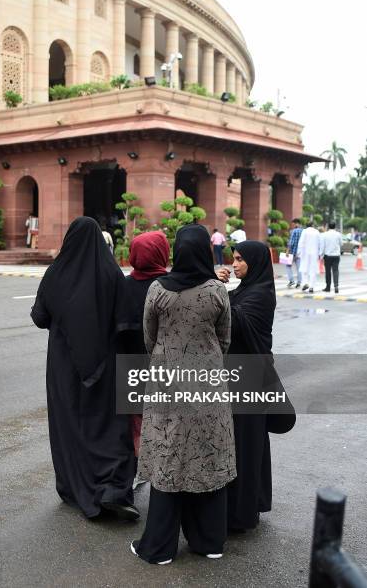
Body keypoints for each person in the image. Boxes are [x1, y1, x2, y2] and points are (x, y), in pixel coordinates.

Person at [131, 224, 235, 564]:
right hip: (207, 385)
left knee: (168, 456)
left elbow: (148, 337)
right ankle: (209, 542)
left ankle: (160, 547)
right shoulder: (216, 291)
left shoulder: (159, 290)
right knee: (206, 454)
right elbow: (225, 340)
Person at [31, 217, 138, 520]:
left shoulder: (55, 273)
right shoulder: (111, 273)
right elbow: (126, 323)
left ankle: (71, 487)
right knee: (107, 425)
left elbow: (40, 317)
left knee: (68, 424)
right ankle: (111, 489)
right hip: (106, 362)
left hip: (64, 365)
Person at [217, 241, 295, 531]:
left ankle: (241, 514)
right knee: (248, 444)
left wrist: (212, 290)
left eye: (240, 260)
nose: (234, 264)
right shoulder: (247, 290)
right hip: (241, 377)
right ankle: (253, 502)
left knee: (246, 446)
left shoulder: (260, 294)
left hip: (250, 380)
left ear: (256, 262)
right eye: (233, 259)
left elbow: (235, 321)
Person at [117, 231, 169, 468]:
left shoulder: (122, 286)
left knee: (135, 423)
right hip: (164, 369)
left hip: (130, 367)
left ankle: (135, 465)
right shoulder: (170, 286)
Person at [297, 222, 320, 293]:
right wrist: (320, 253)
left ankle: (305, 283)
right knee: (313, 269)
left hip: (305, 253)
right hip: (314, 253)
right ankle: (311, 286)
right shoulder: (317, 232)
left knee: (304, 269)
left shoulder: (304, 231)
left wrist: (299, 252)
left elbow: (301, 242)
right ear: (312, 225)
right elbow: (319, 243)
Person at [320, 222, 343, 293]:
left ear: (328, 227)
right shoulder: (338, 234)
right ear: (335, 227)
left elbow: (322, 246)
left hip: (327, 256)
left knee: (328, 271)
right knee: (335, 271)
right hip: (336, 255)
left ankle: (328, 287)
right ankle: (336, 286)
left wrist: (321, 255)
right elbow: (341, 244)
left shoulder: (324, 234)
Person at [285, 218, 303, 288]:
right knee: (299, 268)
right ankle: (299, 282)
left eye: (292, 224)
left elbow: (291, 242)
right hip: (299, 253)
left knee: (288, 266)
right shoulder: (303, 231)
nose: (292, 225)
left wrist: (287, 251)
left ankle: (291, 281)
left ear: (296, 223)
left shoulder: (294, 231)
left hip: (292, 252)